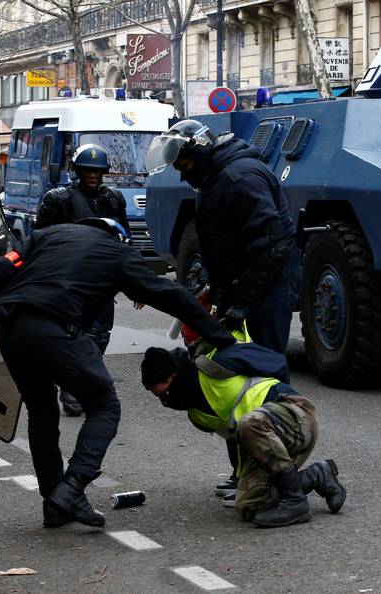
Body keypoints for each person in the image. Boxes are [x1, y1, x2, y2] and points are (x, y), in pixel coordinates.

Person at [0, 218, 236, 529]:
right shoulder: (116, 253)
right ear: (118, 238)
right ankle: (72, 488)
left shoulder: (46, 235)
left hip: (9, 326)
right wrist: (222, 338)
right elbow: (172, 296)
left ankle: (54, 503)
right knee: (104, 404)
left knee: (41, 410)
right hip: (54, 326)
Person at [146, 120, 302, 506]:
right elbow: (227, 245)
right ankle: (246, 473)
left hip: (263, 293)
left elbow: (272, 247)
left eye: (183, 166)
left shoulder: (238, 178)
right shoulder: (218, 177)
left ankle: (272, 478)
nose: (183, 176)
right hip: (242, 291)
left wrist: (242, 304)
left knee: (257, 386)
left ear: (198, 155)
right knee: (234, 384)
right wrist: (216, 291)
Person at [140, 329, 346, 528]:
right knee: (248, 506)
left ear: (173, 376)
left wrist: (285, 397)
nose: (163, 399)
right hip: (269, 440)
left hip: (295, 415)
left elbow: (277, 361)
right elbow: (235, 438)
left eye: (161, 390)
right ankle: (317, 475)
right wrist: (242, 479)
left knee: (249, 423)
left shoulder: (213, 364)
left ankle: (295, 501)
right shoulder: (196, 415)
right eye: (156, 395)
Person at [34, 143, 129, 417]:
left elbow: (123, 239)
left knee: (100, 335)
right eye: (87, 170)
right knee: (73, 332)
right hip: (69, 279)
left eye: (97, 171)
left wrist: (132, 280)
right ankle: (70, 383)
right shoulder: (58, 199)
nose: (92, 176)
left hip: (102, 279)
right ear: (77, 171)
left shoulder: (113, 198)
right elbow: (40, 237)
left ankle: (86, 381)